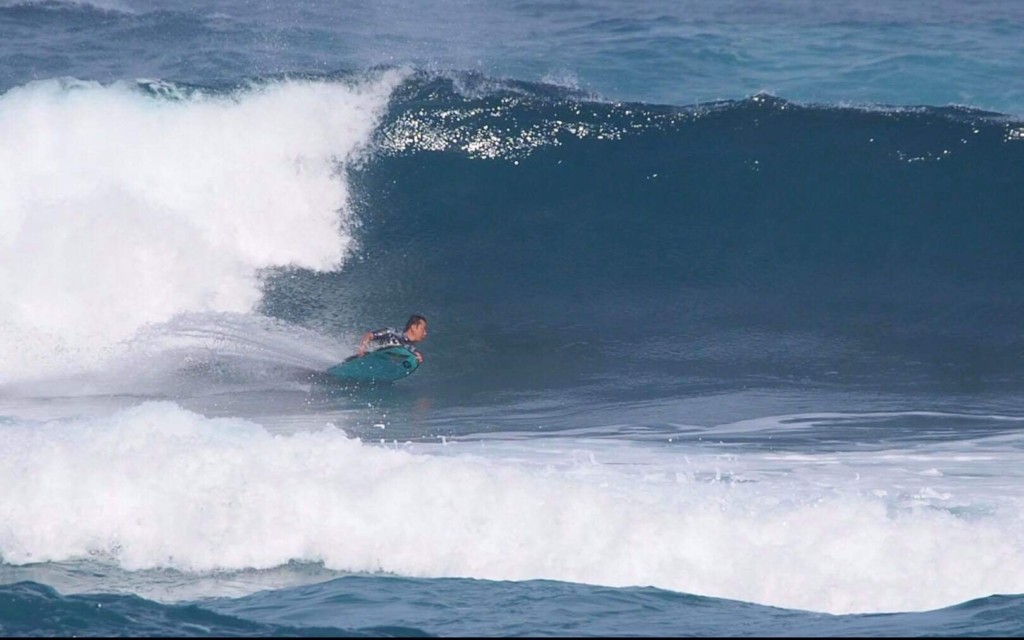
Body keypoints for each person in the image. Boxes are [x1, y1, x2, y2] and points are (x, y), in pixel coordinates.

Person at [357, 314, 428, 363]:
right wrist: (363, 346)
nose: (425, 333)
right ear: (413, 327)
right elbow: (369, 335)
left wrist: (416, 359)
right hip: (365, 355)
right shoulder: (392, 333)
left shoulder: (411, 349)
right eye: (423, 329)